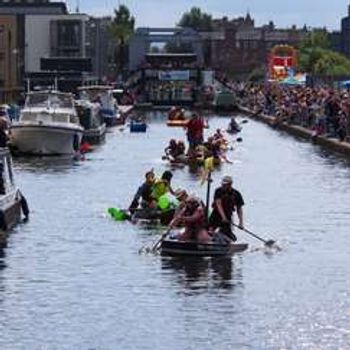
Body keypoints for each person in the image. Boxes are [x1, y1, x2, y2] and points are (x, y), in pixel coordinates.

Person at [209, 175, 244, 242]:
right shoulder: (218, 191)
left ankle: (227, 240)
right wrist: (223, 217)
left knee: (229, 236)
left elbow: (239, 209)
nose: (223, 186)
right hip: (216, 215)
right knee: (210, 230)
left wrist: (241, 222)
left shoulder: (236, 194)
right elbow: (218, 204)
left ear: (230, 184)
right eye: (222, 184)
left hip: (228, 216)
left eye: (225, 185)